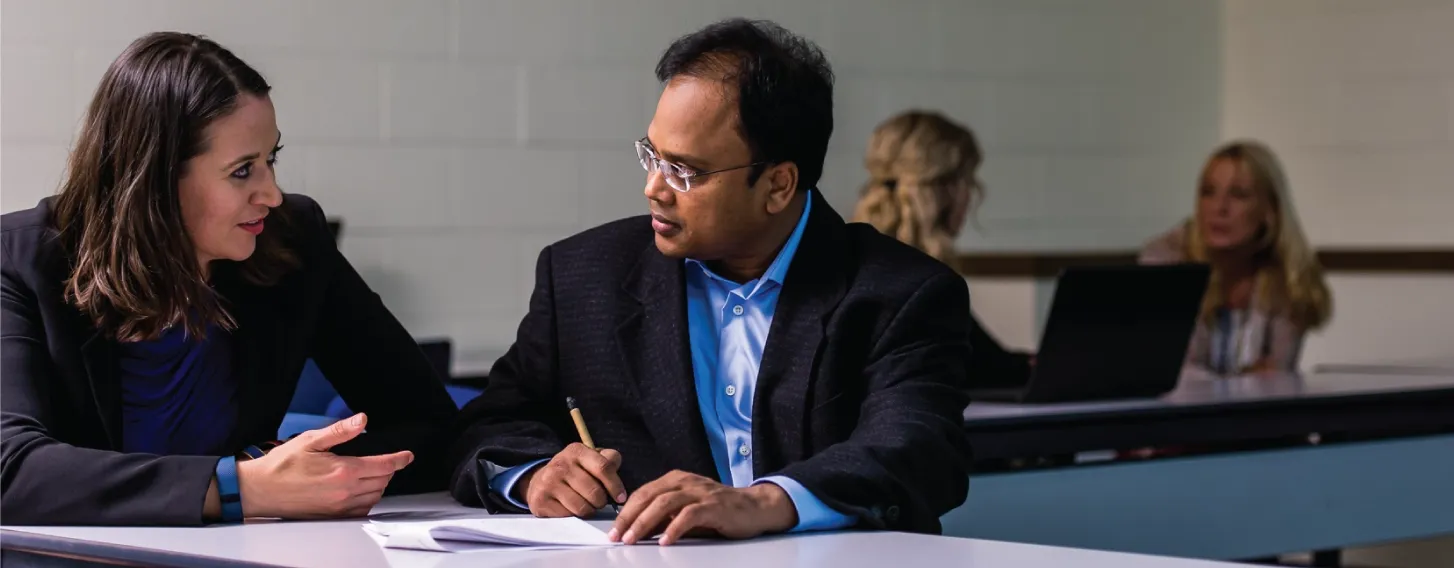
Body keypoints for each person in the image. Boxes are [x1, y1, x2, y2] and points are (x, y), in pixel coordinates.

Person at [448, 19, 973, 545]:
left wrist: (766, 501)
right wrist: (535, 475)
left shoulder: (901, 292)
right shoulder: (584, 276)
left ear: (777, 185)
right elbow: (489, 425)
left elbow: (918, 449)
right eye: (651, 155)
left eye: (685, 171)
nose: (653, 187)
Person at [0, 32, 459, 526]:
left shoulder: (292, 240)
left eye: (271, 160)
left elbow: (431, 423)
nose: (272, 194)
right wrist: (239, 487)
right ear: (154, 179)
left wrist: (291, 472)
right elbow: (11, 470)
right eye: (243, 171)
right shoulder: (20, 259)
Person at [852, 110, 1032, 389]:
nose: (971, 196)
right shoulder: (926, 288)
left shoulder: (850, 263)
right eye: (969, 181)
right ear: (945, 189)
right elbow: (986, 370)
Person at [1140, 140, 1332, 375]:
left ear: (1269, 210)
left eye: (1238, 195)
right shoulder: (1166, 262)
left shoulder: (1288, 273)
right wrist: (1242, 380)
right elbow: (1175, 374)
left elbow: (1276, 377)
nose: (1219, 207)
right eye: (1208, 193)